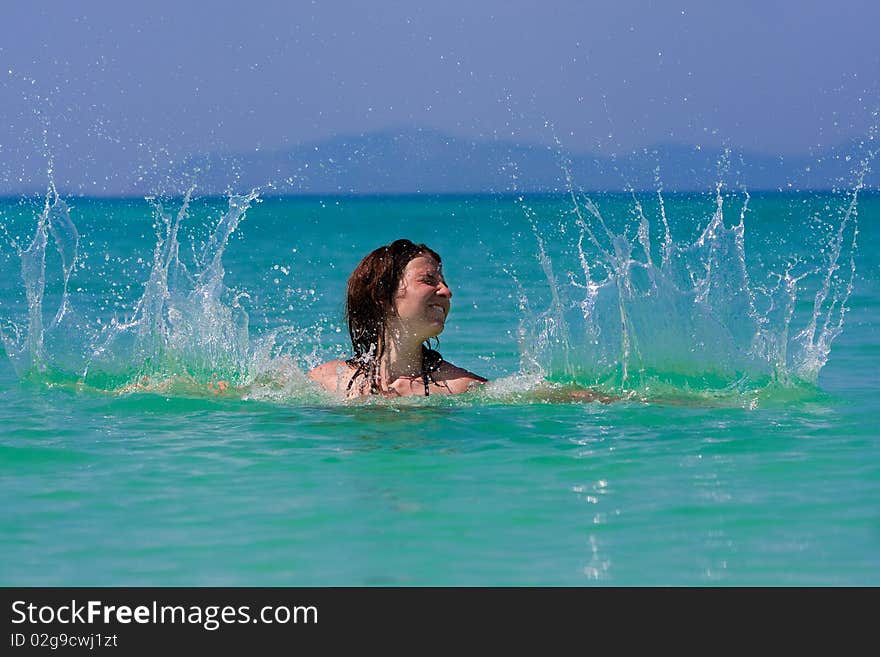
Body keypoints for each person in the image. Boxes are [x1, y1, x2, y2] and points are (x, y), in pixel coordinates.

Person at [309, 239, 487, 398]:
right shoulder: (325, 381)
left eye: (444, 284)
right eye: (428, 280)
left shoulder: (465, 388)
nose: (447, 292)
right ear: (383, 295)